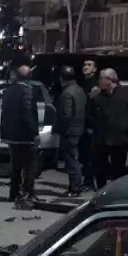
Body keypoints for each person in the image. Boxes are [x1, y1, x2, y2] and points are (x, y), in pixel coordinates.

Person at [89, 68, 128, 187]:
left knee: (118, 170)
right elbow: (90, 115)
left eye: (101, 78)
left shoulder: (126, 95)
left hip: (119, 139)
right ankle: (101, 192)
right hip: (101, 139)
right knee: (99, 169)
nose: (99, 81)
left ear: (110, 80)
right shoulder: (97, 97)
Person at [0, 63, 41, 208]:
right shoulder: (28, 91)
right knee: (30, 165)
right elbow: (28, 114)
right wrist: (34, 133)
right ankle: (28, 192)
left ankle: (14, 192)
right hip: (25, 135)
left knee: (15, 165)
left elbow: (4, 114)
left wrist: (4, 133)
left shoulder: (8, 91)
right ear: (29, 76)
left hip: (12, 135)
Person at [53, 65, 89, 197]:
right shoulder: (79, 90)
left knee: (71, 161)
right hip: (79, 129)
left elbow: (65, 115)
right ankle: (75, 186)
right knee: (75, 159)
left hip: (69, 131)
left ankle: (75, 187)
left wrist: (58, 128)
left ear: (62, 78)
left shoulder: (67, 93)